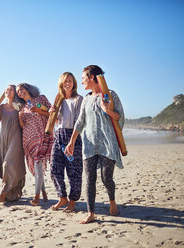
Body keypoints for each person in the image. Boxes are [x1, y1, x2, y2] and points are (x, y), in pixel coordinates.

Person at [65, 65, 124, 224]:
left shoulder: (110, 95)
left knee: (106, 178)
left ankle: (112, 201)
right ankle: (91, 213)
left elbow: (119, 117)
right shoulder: (86, 99)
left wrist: (107, 110)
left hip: (107, 143)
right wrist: (71, 142)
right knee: (90, 179)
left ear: (92, 78)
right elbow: (80, 121)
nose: (82, 81)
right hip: (90, 144)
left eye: (84, 77)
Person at [49, 72, 83, 212]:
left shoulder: (79, 99)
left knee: (73, 171)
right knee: (54, 168)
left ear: (74, 83)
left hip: (73, 135)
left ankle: (72, 201)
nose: (67, 83)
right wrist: (52, 113)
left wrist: (72, 142)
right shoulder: (59, 99)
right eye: (65, 81)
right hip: (59, 135)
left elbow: (79, 122)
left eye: (70, 81)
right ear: (61, 84)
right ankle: (62, 197)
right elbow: (57, 122)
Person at [0, 85, 26, 203]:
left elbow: (23, 126)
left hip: (16, 138)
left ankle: (3, 194)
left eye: (11, 90)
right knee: (7, 166)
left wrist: (20, 117)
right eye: (6, 90)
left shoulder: (20, 107)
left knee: (7, 164)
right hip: (4, 138)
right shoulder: (1, 107)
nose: (8, 91)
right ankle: (10, 193)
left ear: (15, 93)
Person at [17, 83, 53, 205]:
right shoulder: (23, 107)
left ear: (28, 89)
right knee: (37, 167)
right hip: (28, 139)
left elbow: (51, 113)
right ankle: (43, 192)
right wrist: (20, 118)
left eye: (21, 89)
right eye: (18, 92)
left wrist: (38, 110)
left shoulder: (41, 99)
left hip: (42, 136)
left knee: (38, 164)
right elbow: (23, 126)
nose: (20, 92)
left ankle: (36, 196)